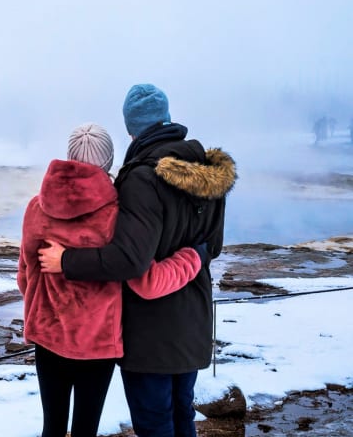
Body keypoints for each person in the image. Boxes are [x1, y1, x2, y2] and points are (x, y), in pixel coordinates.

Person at [38, 84, 236, 437]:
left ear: (131, 129)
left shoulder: (142, 178)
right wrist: (192, 258)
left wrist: (67, 260)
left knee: (156, 423)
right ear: (168, 118)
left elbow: (129, 260)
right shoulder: (209, 171)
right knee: (181, 414)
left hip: (150, 332)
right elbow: (212, 247)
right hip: (193, 322)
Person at [19, 122, 203, 437]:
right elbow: (133, 271)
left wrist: (41, 307)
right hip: (96, 342)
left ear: (69, 156)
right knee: (86, 429)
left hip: (47, 333)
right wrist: (193, 257)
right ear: (108, 162)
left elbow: (26, 273)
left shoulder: (37, 206)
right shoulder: (115, 213)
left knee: (52, 426)